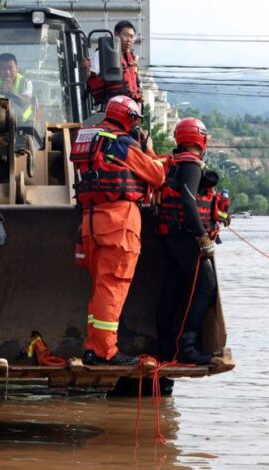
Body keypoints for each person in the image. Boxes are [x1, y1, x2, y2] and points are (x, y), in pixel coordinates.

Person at [70, 95, 165, 365]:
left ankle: (93, 347)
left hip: (91, 222)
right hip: (118, 223)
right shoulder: (123, 144)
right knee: (112, 289)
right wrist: (147, 148)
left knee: (100, 289)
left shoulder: (90, 141)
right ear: (129, 119)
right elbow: (157, 176)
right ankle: (104, 351)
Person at [155, 117, 219, 364]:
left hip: (170, 236)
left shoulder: (173, 163)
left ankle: (165, 349)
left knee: (171, 290)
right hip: (185, 237)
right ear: (200, 138)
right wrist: (202, 237)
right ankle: (187, 347)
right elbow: (188, 202)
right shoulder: (191, 164)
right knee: (207, 287)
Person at [82, 20, 142, 108]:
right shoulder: (102, 54)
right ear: (116, 35)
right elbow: (89, 78)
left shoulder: (131, 60)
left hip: (129, 110)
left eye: (132, 37)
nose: (129, 40)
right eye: (126, 35)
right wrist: (84, 69)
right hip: (111, 108)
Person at [0, 53, 34, 125]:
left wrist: (12, 93)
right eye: (3, 69)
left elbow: (25, 102)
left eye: (10, 68)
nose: (7, 72)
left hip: (23, 124)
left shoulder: (25, 83)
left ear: (17, 68)